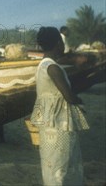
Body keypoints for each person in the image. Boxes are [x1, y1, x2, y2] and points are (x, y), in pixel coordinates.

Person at [30, 26, 89, 186]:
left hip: (49, 121)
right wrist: (79, 100)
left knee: (52, 163)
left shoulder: (43, 65)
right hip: (59, 123)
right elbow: (69, 96)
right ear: (58, 43)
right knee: (61, 164)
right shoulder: (53, 67)